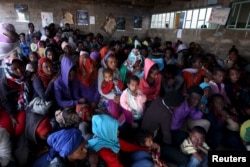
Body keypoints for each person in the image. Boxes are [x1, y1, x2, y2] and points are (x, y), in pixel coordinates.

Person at [141, 91, 188, 166]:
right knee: (183, 159)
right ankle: (167, 159)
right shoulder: (166, 114)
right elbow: (166, 134)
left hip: (148, 134)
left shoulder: (159, 100)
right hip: (153, 141)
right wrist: (169, 146)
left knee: (182, 135)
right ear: (173, 106)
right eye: (179, 105)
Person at [88, 114, 154, 167]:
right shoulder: (103, 151)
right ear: (107, 131)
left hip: (121, 160)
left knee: (145, 154)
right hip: (118, 164)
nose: (118, 131)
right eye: (114, 130)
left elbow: (128, 147)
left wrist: (148, 149)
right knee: (148, 163)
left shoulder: (107, 136)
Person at [0, 57, 31, 137]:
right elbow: (6, 100)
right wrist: (12, 116)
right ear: (9, 69)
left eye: (20, 66)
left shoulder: (27, 75)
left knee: (19, 130)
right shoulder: (5, 82)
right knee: (10, 130)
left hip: (25, 106)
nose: (19, 70)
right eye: (15, 69)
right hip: (13, 108)